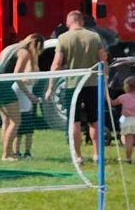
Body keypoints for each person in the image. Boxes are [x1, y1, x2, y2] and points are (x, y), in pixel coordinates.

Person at [46, 12, 109, 161]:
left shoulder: (63, 38)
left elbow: (56, 64)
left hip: (72, 85)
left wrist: (50, 87)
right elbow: (103, 61)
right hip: (92, 83)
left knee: (74, 121)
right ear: (81, 21)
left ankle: (78, 156)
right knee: (94, 120)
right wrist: (105, 81)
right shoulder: (94, 37)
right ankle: (97, 154)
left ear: (69, 22)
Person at [0, 33, 44, 161]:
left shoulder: (10, 48)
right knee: (16, 121)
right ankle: (7, 154)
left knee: (6, 122)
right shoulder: (23, 52)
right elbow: (17, 75)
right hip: (4, 86)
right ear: (34, 44)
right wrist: (29, 95)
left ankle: (7, 152)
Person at [113, 77, 135, 164]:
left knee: (129, 142)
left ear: (126, 87)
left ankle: (128, 159)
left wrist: (106, 97)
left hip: (127, 121)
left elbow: (113, 103)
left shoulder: (123, 97)